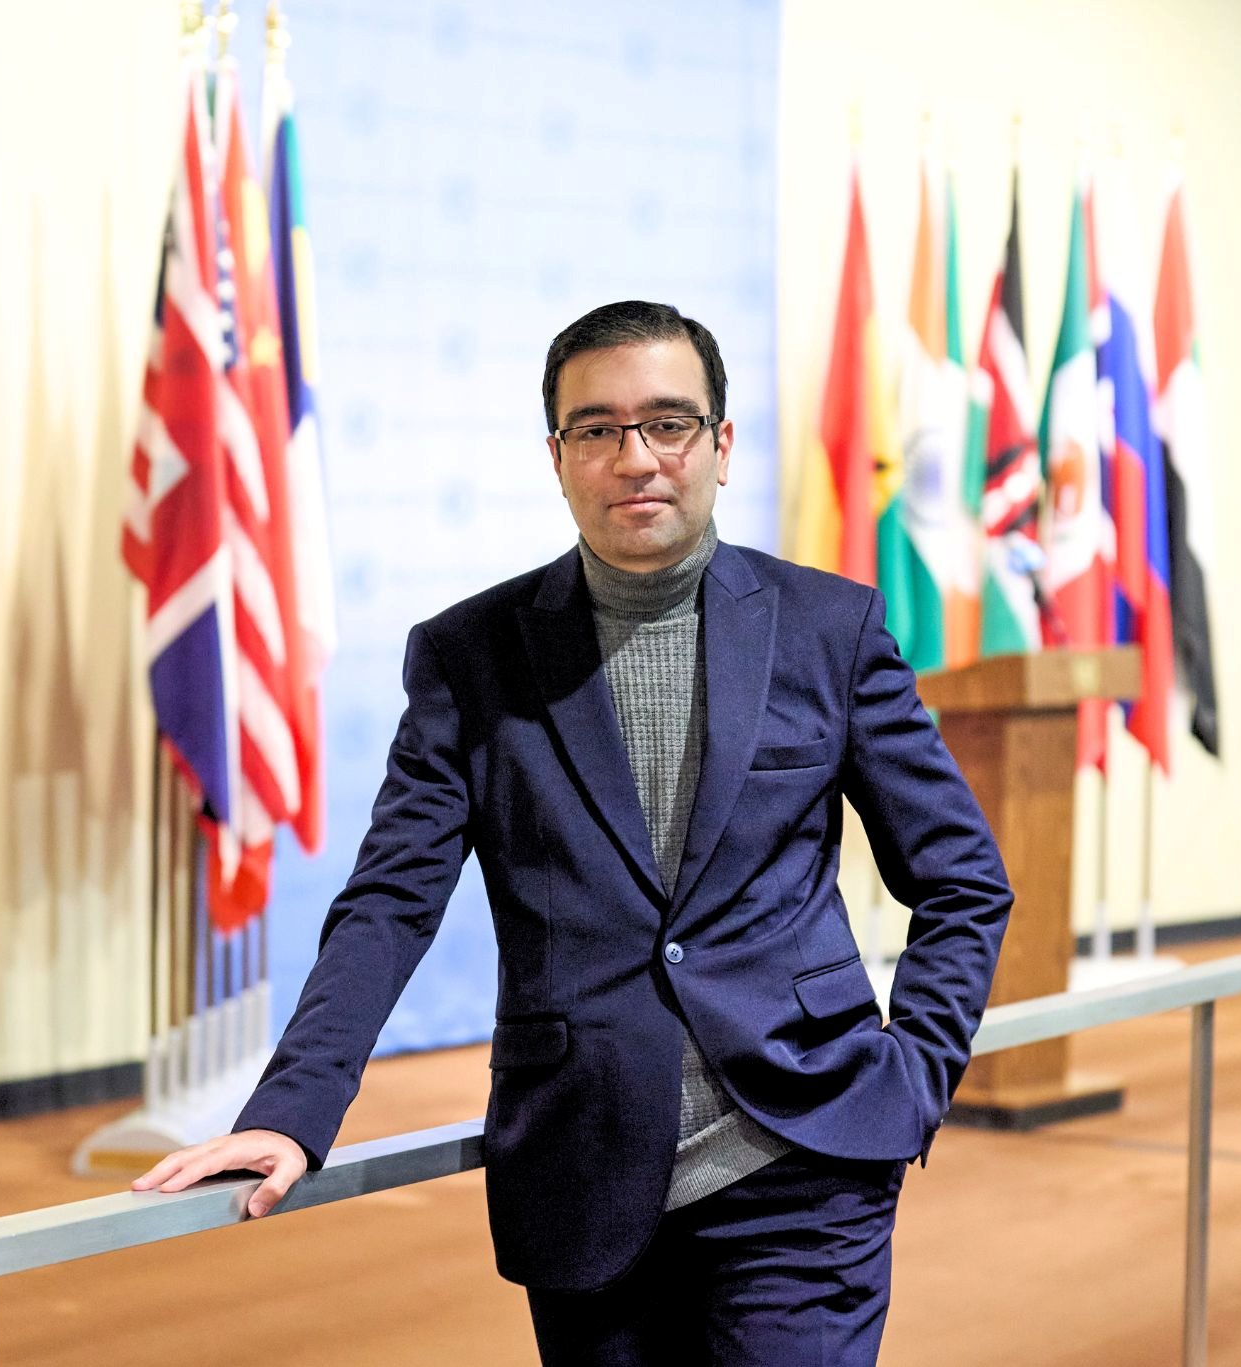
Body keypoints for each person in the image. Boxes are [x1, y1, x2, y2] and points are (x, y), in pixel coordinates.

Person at [134, 300, 1012, 1365]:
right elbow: (390, 900)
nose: (634, 457)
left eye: (668, 423)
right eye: (595, 429)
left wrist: (910, 1078)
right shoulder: (471, 655)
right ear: (556, 456)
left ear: (720, 446)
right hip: (583, 1169)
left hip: (804, 1162)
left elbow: (961, 877)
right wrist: (294, 1104)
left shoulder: (830, 630)